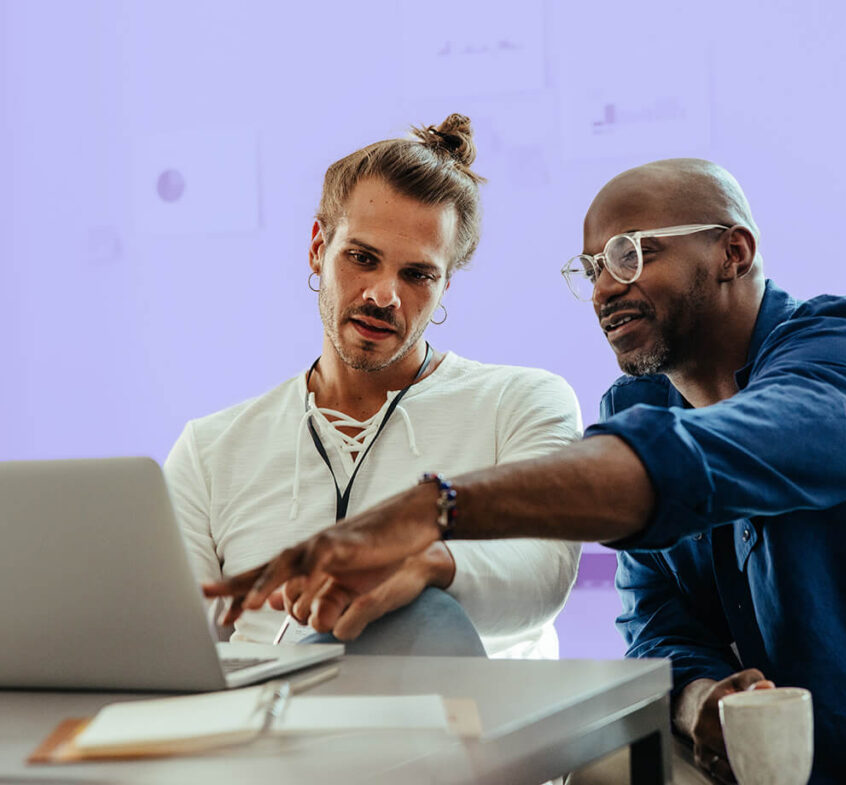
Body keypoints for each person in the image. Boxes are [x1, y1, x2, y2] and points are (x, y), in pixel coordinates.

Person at [205, 158, 846, 784]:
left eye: (631, 255)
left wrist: (434, 508)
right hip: (798, 768)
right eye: (591, 265)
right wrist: (705, 701)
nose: (604, 286)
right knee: (610, 762)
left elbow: (718, 458)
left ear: (733, 251)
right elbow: (658, 623)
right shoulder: (637, 409)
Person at [165, 113, 581, 660]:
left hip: (469, 729)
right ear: (318, 247)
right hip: (275, 732)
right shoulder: (209, 450)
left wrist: (426, 564)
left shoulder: (522, 402)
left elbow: (543, 574)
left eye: (417, 275)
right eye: (362, 259)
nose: (384, 295)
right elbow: (174, 646)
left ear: (446, 284)